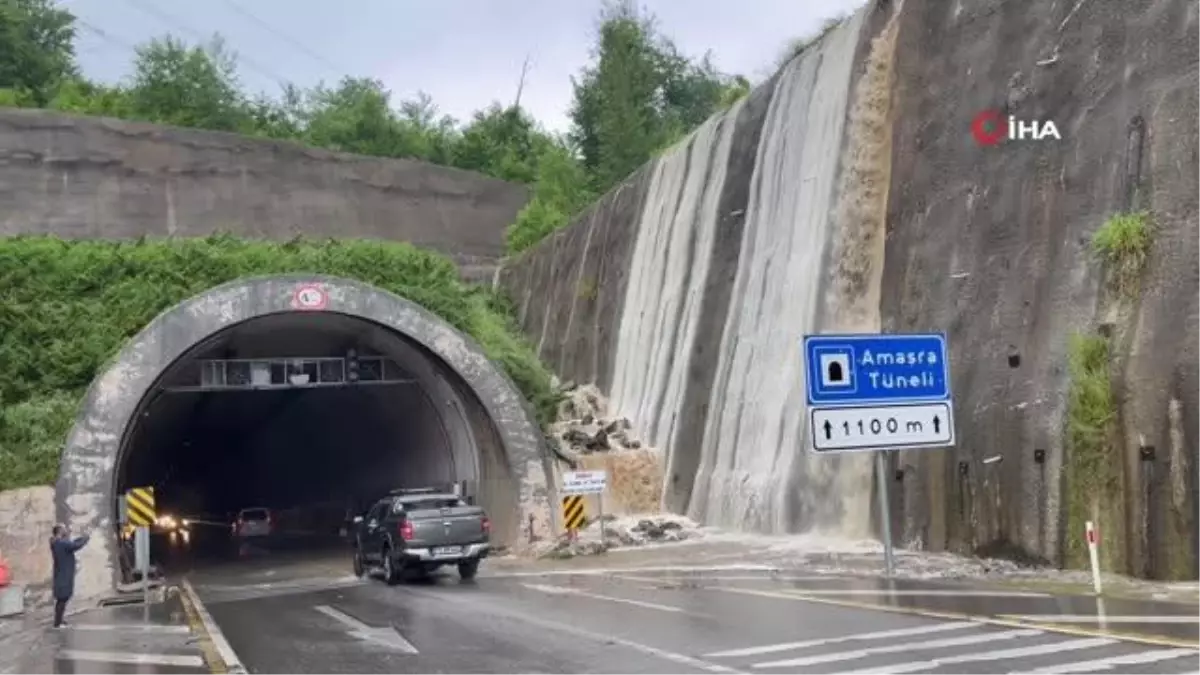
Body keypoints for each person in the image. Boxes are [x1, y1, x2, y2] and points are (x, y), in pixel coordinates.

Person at [49, 523, 89, 628]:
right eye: (64, 529)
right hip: (64, 574)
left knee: (63, 598)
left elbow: (72, 543)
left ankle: (59, 620)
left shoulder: (58, 543)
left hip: (62, 573)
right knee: (62, 598)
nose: (66, 530)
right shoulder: (61, 543)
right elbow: (75, 545)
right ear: (59, 531)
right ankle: (57, 622)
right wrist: (85, 538)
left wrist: (81, 538)